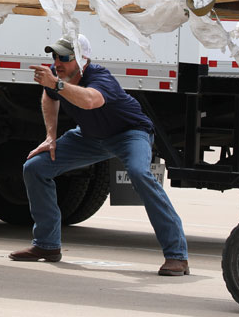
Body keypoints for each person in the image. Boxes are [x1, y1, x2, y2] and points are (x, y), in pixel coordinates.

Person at [10, 35, 190, 276]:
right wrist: (50, 136)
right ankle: (46, 246)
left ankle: (177, 256)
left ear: (83, 59)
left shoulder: (99, 76)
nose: (57, 62)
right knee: (35, 167)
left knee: (139, 173)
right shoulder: (56, 75)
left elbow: (91, 101)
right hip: (90, 137)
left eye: (64, 57)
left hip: (130, 134)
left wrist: (57, 85)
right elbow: (49, 97)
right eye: (54, 56)